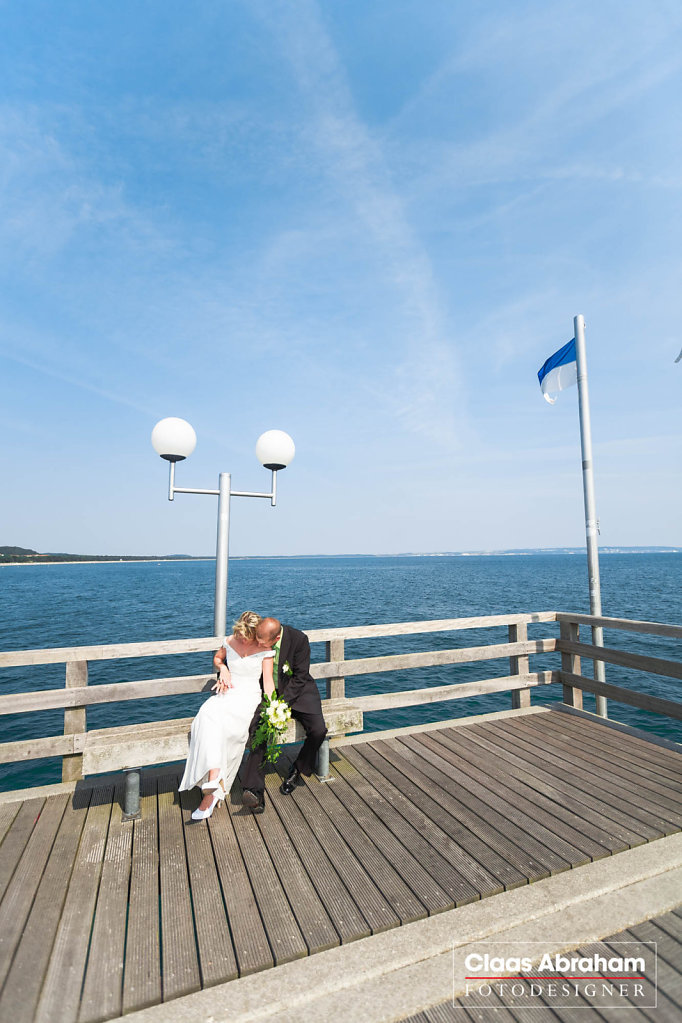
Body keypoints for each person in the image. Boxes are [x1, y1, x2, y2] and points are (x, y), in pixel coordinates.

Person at [179, 611, 275, 820]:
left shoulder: (265, 649)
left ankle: (211, 795)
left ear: (254, 633)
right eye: (238, 634)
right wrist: (223, 668)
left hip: (248, 698)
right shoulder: (230, 641)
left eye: (245, 636)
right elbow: (217, 658)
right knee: (206, 717)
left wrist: (271, 707)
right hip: (228, 692)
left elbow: (267, 681)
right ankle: (214, 780)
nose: (240, 639)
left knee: (226, 728)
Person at [240, 617, 327, 814]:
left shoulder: (299, 640)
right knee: (258, 728)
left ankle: (298, 769)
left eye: (263, 643)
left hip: (300, 693)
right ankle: (254, 791)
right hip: (268, 693)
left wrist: (281, 704)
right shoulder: (259, 636)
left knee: (318, 730)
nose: (259, 644)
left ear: (277, 637)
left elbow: (301, 676)